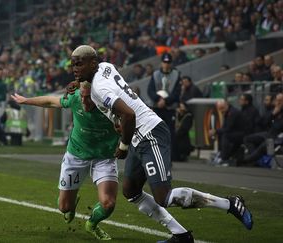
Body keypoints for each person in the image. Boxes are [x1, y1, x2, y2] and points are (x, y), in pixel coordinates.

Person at [70, 45, 253, 242]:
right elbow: (114, 97)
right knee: (131, 191)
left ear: (93, 63)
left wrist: (123, 147)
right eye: (73, 65)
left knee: (163, 197)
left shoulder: (99, 88)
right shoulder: (106, 66)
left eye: (79, 64)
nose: (74, 68)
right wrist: (80, 81)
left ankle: (230, 203)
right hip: (137, 136)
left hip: (149, 133)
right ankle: (181, 235)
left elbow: (129, 114)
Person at [11, 82, 119, 240]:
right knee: (64, 207)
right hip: (76, 155)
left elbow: (132, 118)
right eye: (81, 96)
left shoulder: (112, 105)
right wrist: (26, 100)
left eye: (88, 98)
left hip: (104, 157)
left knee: (108, 203)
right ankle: (71, 201)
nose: (83, 101)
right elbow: (50, 101)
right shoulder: (75, 98)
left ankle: (92, 224)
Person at [147, 53, 182, 160]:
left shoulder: (176, 75)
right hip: (157, 107)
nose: (166, 65)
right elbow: (150, 90)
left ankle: (170, 156)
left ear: (171, 63)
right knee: (156, 131)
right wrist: (158, 99)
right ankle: (155, 154)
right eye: (164, 62)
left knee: (170, 132)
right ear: (161, 63)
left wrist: (165, 101)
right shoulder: (155, 74)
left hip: (169, 108)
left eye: (168, 62)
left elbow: (177, 93)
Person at [210, 100, 245, 165]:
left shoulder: (232, 113)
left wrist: (216, 131)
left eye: (222, 108)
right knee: (221, 133)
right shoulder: (227, 112)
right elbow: (224, 127)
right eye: (219, 109)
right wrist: (217, 131)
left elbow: (228, 128)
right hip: (235, 132)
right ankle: (221, 153)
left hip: (241, 133)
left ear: (226, 105)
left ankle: (224, 157)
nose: (221, 111)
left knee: (225, 135)